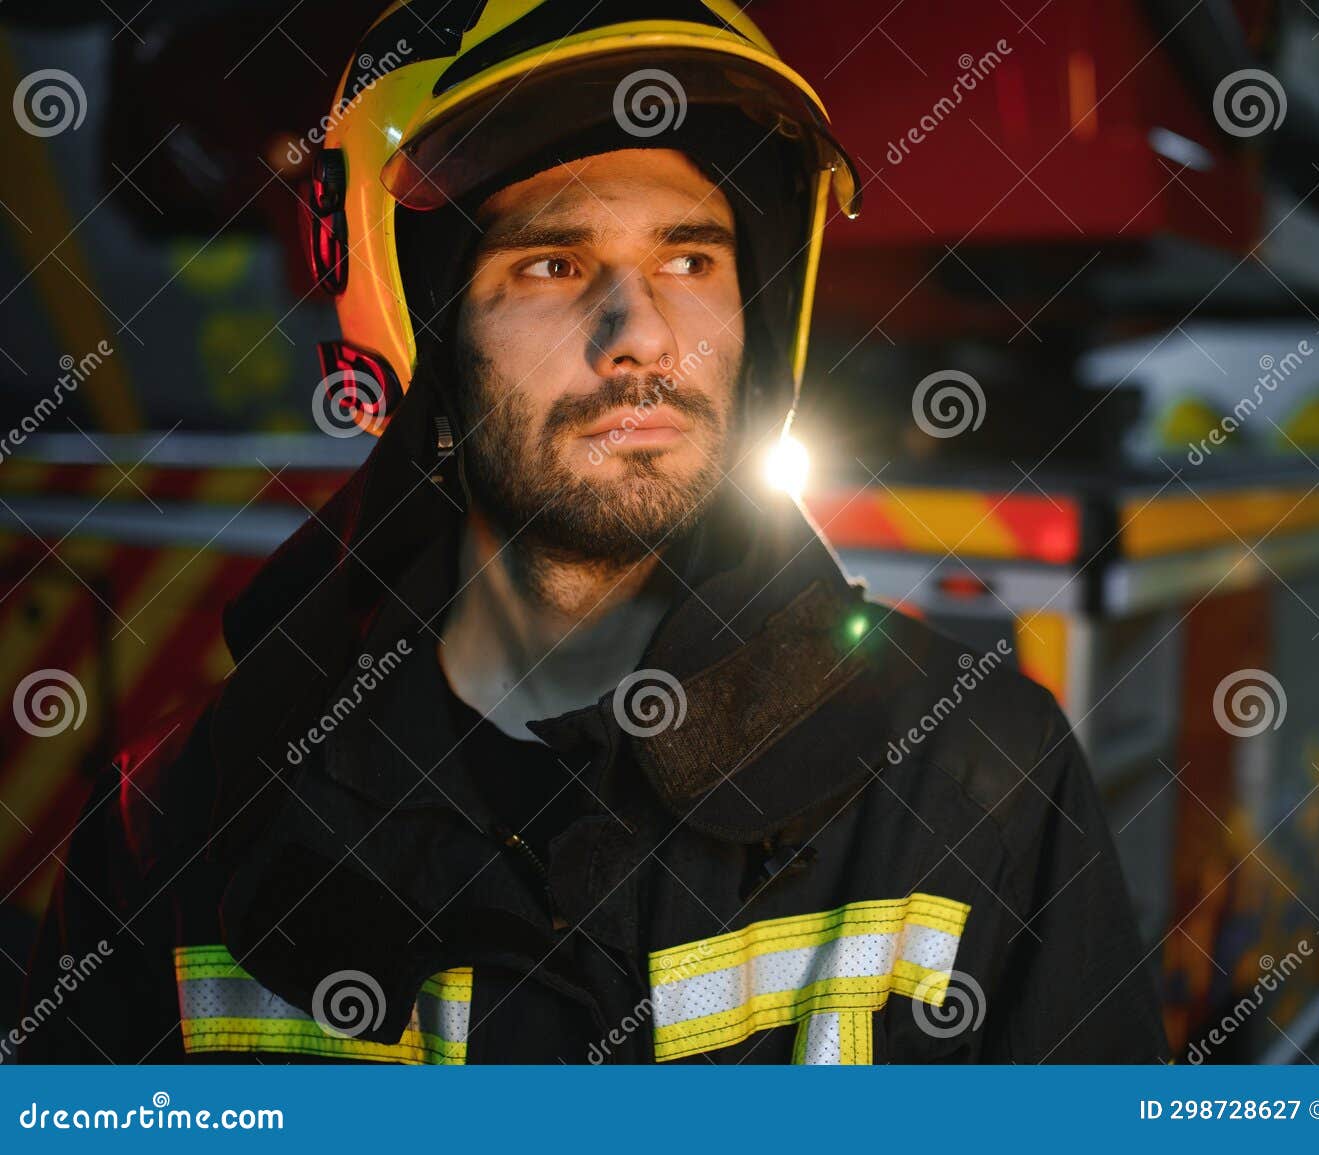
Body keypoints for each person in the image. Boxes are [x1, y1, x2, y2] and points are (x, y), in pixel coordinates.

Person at [16, 0, 1164, 1065]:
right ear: (421, 332)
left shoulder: (979, 777)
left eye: (688, 259)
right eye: (554, 264)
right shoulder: (178, 823)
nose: (640, 337)